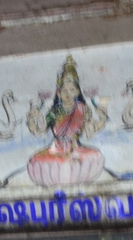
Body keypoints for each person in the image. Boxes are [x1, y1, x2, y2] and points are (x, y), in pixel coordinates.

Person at [26, 55, 108, 185]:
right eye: (64, 90)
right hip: (55, 150)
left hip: (76, 150)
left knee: (94, 158)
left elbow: (93, 126)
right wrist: (33, 116)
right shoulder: (55, 111)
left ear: (77, 92)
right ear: (58, 93)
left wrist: (101, 114)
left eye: (71, 90)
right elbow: (40, 129)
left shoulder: (82, 109)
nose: (68, 93)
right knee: (38, 162)